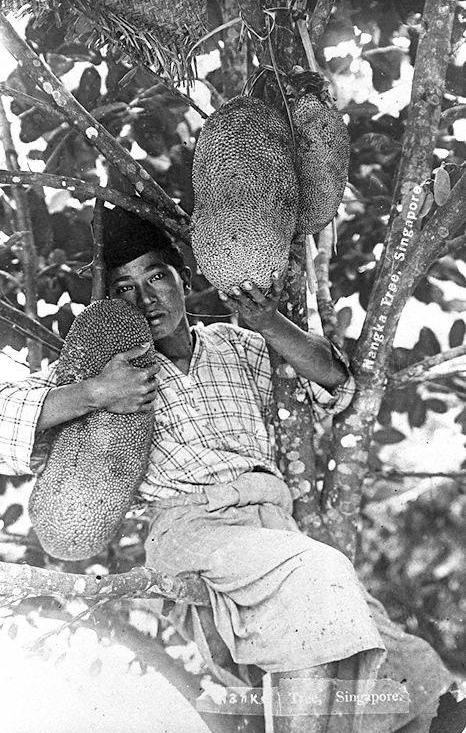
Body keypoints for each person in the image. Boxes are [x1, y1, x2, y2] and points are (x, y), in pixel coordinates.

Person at [0, 207, 452, 733]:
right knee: (318, 575)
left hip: (274, 532)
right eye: (125, 289)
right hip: (194, 532)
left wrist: (267, 321)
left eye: (157, 277)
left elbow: (338, 386)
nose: (145, 301)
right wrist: (93, 392)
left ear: (183, 279)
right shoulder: (108, 371)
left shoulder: (237, 347)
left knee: (419, 677)